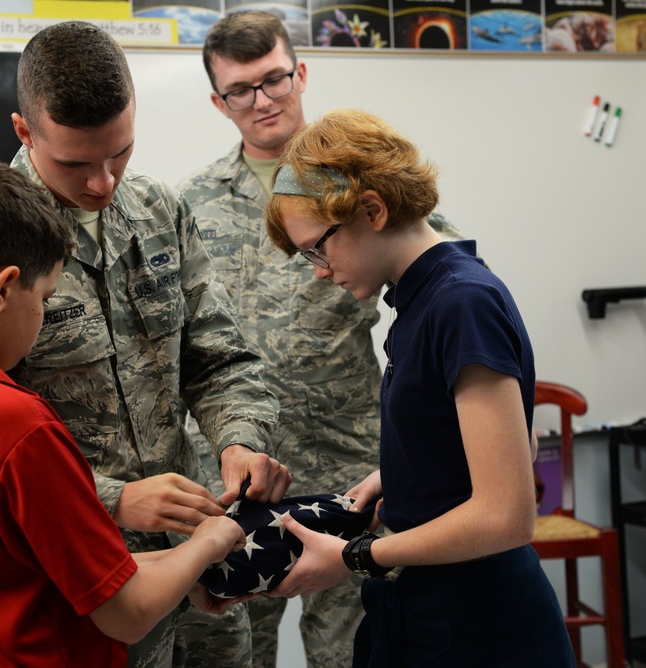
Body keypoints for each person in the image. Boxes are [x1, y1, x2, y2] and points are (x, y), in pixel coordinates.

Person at [0, 154, 248, 667]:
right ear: (3, 290)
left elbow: (52, 572)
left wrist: (181, 568)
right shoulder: (15, 424)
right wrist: (209, 542)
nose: (43, 314)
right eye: (45, 297)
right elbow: (126, 611)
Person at [176, 11, 465, 666]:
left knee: (351, 653)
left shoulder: (356, 182)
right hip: (239, 483)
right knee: (234, 651)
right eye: (241, 90)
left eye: (274, 78)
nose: (263, 100)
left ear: (300, 73)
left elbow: (435, 273)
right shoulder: (188, 204)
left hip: (349, 473)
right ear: (220, 104)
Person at [6, 21, 292, 668]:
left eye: (121, 153)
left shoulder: (160, 210)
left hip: (194, 549)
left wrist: (239, 437)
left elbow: (219, 360)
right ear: (25, 131)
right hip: (86, 579)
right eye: (76, 162)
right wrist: (112, 499)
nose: (104, 182)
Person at [264, 108, 575, 667]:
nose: (318, 269)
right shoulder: (420, 302)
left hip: (482, 623)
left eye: (318, 248)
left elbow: (507, 514)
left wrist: (357, 557)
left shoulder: (461, 303)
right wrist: (397, 475)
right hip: (435, 607)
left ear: (373, 210)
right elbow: (509, 444)